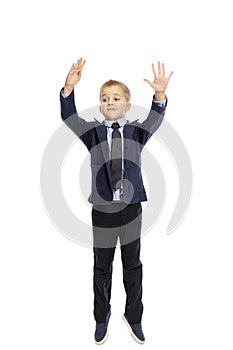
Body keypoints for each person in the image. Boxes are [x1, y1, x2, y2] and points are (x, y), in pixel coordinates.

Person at [60, 57, 173, 345]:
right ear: (100, 106)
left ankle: (133, 316)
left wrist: (159, 95)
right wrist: (68, 89)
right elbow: (70, 118)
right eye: (105, 98)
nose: (111, 102)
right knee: (102, 266)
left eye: (117, 98)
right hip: (103, 210)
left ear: (126, 104)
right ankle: (101, 317)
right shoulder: (94, 133)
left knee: (132, 265)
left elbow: (155, 119)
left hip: (132, 209)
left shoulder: (136, 131)